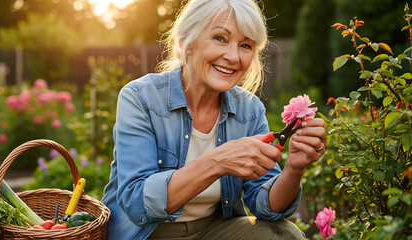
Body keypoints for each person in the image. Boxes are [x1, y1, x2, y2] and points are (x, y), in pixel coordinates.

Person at [101, 0, 327, 239]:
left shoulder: (249, 110)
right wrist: (218, 161)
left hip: (213, 229)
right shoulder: (141, 98)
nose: (233, 56)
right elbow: (137, 203)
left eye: (246, 45)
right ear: (187, 40)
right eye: (220, 38)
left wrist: (294, 168)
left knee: (285, 234)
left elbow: (266, 206)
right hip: (147, 233)